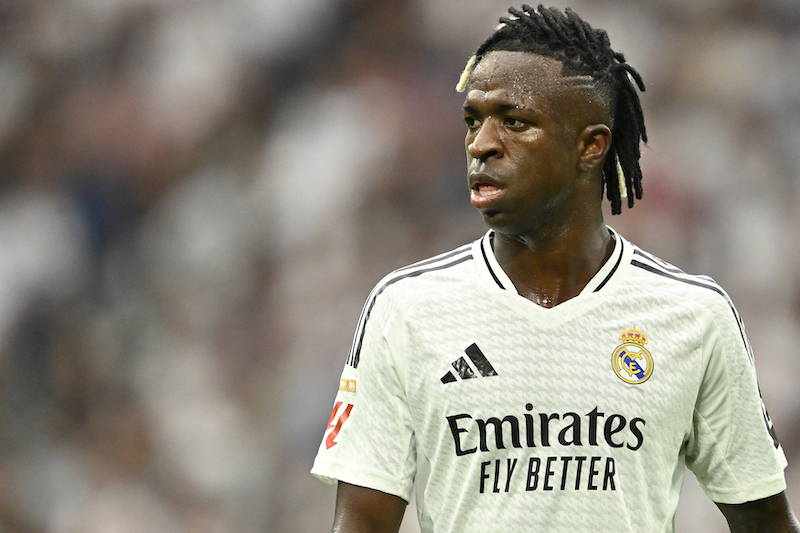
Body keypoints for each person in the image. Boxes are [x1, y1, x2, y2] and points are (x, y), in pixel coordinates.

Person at [311, 5, 799, 532]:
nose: (481, 144)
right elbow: (361, 524)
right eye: (473, 120)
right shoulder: (406, 308)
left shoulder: (694, 316)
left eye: (514, 122)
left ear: (589, 147)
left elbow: (765, 522)